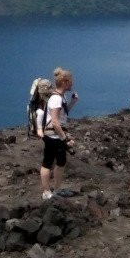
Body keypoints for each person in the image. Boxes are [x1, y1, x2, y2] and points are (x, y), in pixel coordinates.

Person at [39, 67, 79, 200]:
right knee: (47, 162)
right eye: (70, 81)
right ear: (64, 82)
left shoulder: (61, 97)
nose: (72, 83)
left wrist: (73, 102)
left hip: (57, 135)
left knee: (61, 162)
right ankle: (46, 192)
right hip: (52, 136)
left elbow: (63, 114)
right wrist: (66, 139)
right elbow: (55, 122)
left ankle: (56, 190)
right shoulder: (56, 99)